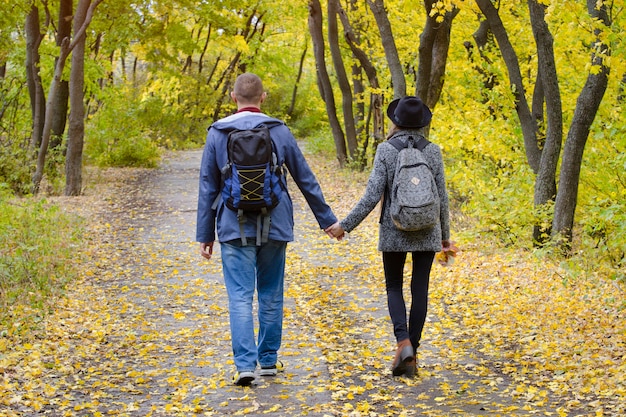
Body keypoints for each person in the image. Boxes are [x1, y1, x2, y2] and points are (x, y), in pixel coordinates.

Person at [196, 73, 339, 386]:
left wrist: (205, 234)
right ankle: (269, 361)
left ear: (233, 97)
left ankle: (245, 365)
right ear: (263, 97)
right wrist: (327, 220)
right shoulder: (279, 130)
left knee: (239, 297)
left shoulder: (218, 133)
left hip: (233, 226)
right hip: (276, 224)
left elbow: (208, 185)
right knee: (271, 294)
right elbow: (304, 177)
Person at [326, 96, 451, 377]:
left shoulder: (386, 150)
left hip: (394, 229)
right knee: (420, 289)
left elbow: (371, 196)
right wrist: (445, 237)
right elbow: (442, 198)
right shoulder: (432, 151)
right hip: (428, 228)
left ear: (396, 121)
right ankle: (412, 353)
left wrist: (344, 225)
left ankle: (402, 342)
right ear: (422, 124)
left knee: (394, 286)